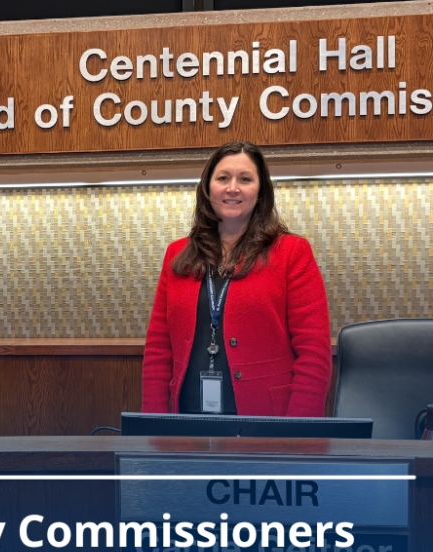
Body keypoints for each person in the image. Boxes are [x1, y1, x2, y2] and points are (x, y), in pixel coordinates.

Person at [142, 142, 332, 417]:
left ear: (261, 191)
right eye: (223, 178)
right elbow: (159, 349)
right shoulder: (177, 254)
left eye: (245, 179)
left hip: (267, 424)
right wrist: (153, 424)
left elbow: (314, 354)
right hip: (187, 416)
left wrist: (298, 435)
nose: (233, 188)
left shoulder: (291, 252)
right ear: (207, 189)